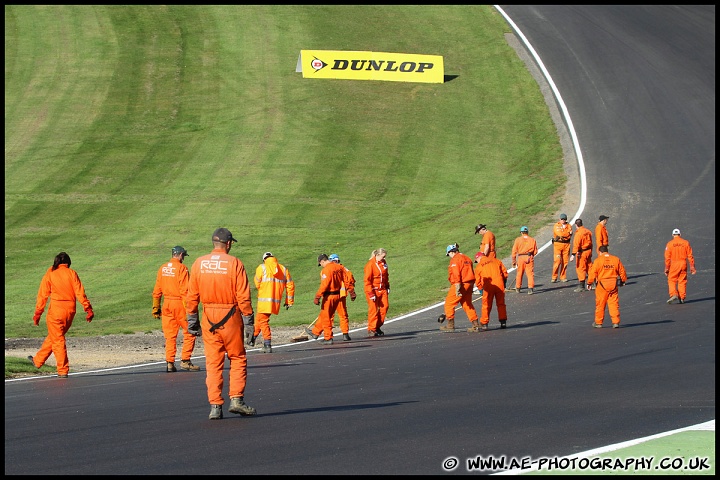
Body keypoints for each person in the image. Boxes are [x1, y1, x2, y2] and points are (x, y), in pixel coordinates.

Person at [186, 227, 256, 420]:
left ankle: (215, 406)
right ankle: (236, 400)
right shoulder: (234, 263)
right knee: (237, 358)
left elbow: (192, 296)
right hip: (231, 316)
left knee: (213, 362)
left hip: (209, 317)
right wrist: (249, 321)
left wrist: (192, 320)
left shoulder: (199, 263)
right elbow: (243, 296)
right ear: (229, 243)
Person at [29, 252, 94, 378]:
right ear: (68, 263)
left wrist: (38, 313)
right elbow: (80, 293)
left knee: (58, 340)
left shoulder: (50, 273)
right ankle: (38, 360)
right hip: (70, 312)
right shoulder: (72, 273)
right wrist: (88, 308)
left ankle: (62, 370)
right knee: (55, 336)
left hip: (55, 312)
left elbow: (42, 296)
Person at [152, 245, 200, 372]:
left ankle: (169, 363)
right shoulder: (182, 268)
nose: (183, 258)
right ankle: (185, 360)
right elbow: (185, 291)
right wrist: (189, 310)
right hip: (179, 304)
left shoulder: (162, 268)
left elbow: (157, 289)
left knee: (170, 336)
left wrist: (156, 306)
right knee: (190, 331)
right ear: (179, 255)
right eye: (183, 255)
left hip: (167, 304)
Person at [248, 252, 295, 353]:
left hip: (263, 300)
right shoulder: (283, 269)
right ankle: (252, 339)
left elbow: (257, 283)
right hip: (275, 301)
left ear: (264, 259)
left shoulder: (262, 267)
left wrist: (263, 289)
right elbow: (290, 285)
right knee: (260, 319)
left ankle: (267, 343)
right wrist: (289, 301)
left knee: (263, 321)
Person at [438, 243, 479, 332]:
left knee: (449, 303)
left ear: (451, 252)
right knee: (467, 304)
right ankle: (475, 324)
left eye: (448, 254)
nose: (449, 256)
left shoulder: (455, 259)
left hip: (461, 284)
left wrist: (457, 285)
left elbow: (456, 273)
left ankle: (450, 325)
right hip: (470, 283)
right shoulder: (467, 258)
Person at [306, 253, 345, 345]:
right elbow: (346, 278)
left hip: (329, 296)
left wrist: (317, 296)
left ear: (322, 261)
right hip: (338, 295)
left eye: (321, 264)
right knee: (324, 315)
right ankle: (315, 332)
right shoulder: (339, 267)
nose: (321, 266)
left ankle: (328, 337)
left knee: (327, 317)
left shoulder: (326, 270)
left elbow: (325, 285)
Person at [586, 245, 627, 328]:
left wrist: (589, 283)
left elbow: (592, 273)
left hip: (602, 285)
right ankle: (615, 322)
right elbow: (622, 271)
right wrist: (623, 281)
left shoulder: (598, 261)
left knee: (600, 304)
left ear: (600, 252)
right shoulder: (616, 259)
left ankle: (598, 322)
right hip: (613, 284)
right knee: (614, 304)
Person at [474, 252, 509, 330]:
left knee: (486, 305)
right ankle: (503, 321)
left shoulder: (479, 266)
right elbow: (504, 273)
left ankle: (484, 323)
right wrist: (504, 282)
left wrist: (480, 290)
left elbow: (478, 280)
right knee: (501, 303)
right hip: (499, 284)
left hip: (488, 286)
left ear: (478, 258)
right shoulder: (496, 260)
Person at [329, 253, 357, 341]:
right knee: (343, 315)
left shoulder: (328, 269)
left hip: (331, 296)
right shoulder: (343, 269)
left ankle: (329, 336)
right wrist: (352, 291)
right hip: (341, 295)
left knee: (330, 316)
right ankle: (345, 334)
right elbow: (350, 280)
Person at [664, 228, 696, 304]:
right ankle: (682, 297)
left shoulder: (669, 244)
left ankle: (674, 294)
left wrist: (667, 268)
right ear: (680, 234)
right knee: (682, 280)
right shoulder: (685, 243)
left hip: (674, 264)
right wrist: (692, 266)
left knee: (671, 279)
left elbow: (667, 257)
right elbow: (690, 255)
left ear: (672, 235)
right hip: (683, 263)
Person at [363, 248, 390, 337]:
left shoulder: (383, 263)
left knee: (384, 307)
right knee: (373, 310)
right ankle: (371, 328)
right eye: (383, 256)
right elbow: (367, 280)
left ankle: (377, 326)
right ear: (378, 255)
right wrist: (370, 293)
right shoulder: (370, 265)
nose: (384, 258)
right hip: (373, 290)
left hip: (382, 289)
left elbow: (386, 275)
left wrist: (387, 286)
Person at [511, 226, 539, 294]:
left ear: (521, 232)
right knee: (530, 274)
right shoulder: (532, 240)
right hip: (529, 257)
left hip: (521, 258)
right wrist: (531, 255)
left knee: (519, 273)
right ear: (527, 232)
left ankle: (518, 287)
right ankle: (530, 289)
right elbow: (535, 251)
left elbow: (514, 251)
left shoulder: (518, 240)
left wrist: (514, 261)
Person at [570, 219, 593, 292]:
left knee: (580, 268)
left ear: (576, 225)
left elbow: (576, 245)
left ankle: (582, 285)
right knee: (589, 266)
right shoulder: (588, 231)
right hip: (588, 251)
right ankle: (594, 282)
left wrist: (573, 255)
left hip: (582, 253)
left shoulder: (578, 234)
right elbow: (591, 242)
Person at [474, 224, 496, 297]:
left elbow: (487, 247)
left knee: (485, 271)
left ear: (481, 230)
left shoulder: (487, 235)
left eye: (479, 232)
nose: (479, 234)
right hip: (489, 255)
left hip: (488, 255)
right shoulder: (488, 234)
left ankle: (485, 287)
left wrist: (483, 257)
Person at [551, 213, 573, 283]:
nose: (563, 220)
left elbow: (570, 235)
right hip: (558, 245)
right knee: (557, 261)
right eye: (562, 219)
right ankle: (554, 277)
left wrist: (567, 234)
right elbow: (560, 234)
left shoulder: (569, 225)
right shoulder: (556, 226)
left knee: (565, 261)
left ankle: (563, 276)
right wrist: (568, 233)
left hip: (566, 245)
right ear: (559, 219)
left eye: (564, 219)